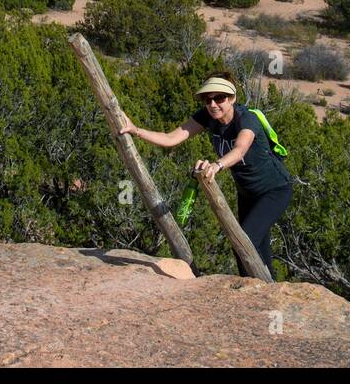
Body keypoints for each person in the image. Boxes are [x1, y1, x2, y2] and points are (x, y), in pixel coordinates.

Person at [120, 72, 292, 277]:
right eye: (207, 99)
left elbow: (240, 149)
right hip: (247, 193)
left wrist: (217, 165)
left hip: (274, 189)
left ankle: (256, 291)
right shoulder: (207, 117)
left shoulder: (247, 119)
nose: (213, 104)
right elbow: (171, 138)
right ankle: (262, 291)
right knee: (254, 247)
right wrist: (135, 130)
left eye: (219, 98)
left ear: (232, 98)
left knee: (244, 242)